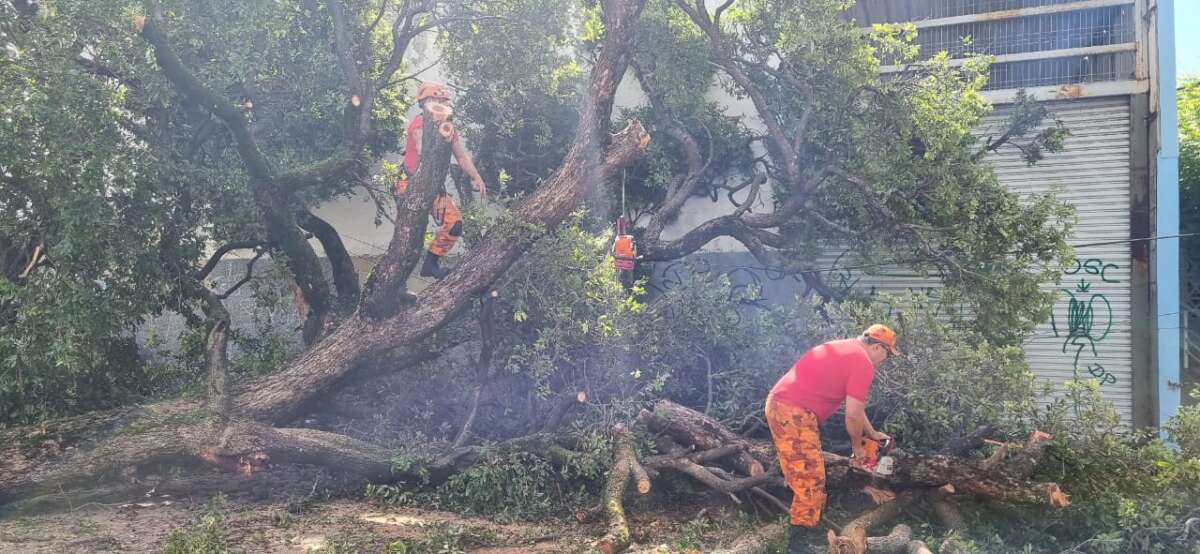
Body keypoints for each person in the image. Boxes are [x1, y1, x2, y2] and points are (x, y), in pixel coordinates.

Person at [764, 324, 899, 554]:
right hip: (793, 412)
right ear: (878, 347)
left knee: (807, 476)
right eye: (888, 354)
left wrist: (872, 434)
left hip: (786, 406)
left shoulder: (846, 348)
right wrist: (858, 449)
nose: (885, 360)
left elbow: (856, 407)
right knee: (810, 480)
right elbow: (852, 415)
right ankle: (798, 547)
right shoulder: (863, 363)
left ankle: (805, 534)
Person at [397, 81, 487, 279]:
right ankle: (398, 279)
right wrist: (437, 139)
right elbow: (422, 149)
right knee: (410, 237)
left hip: (433, 186)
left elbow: (461, 156)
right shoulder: (418, 124)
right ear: (426, 102)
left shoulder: (448, 127)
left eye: (442, 101)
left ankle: (431, 264)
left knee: (455, 223)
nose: (439, 103)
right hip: (409, 184)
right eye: (436, 100)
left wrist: (476, 176)